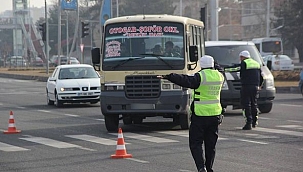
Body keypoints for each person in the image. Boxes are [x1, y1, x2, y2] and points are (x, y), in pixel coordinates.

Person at [158, 55, 225, 172]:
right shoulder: (220, 76)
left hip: (200, 115)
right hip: (215, 115)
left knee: (195, 143)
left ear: (201, 65)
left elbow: (184, 80)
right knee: (211, 145)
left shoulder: (200, 76)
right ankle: (209, 168)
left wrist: (169, 76)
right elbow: (220, 68)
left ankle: (201, 167)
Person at [225, 50, 263, 130]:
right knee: (254, 103)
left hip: (246, 86)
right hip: (255, 87)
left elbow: (236, 68)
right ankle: (254, 122)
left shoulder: (244, 63)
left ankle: (248, 123)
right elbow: (261, 76)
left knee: (246, 104)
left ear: (242, 57)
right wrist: (259, 85)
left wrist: (225, 70)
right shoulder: (256, 63)